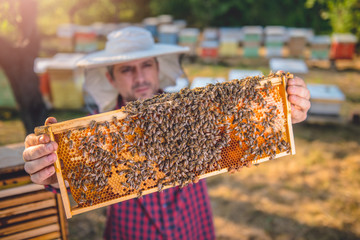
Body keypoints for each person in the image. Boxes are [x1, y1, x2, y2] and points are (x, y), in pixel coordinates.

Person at [23, 27, 311, 240]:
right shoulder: (96, 134)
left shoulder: (200, 112)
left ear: (158, 69)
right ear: (110, 77)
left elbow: (246, 131)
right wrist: (51, 171)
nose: (139, 78)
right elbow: (75, 177)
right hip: (131, 232)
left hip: (193, 226)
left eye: (146, 65)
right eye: (126, 69)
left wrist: (284, 108)